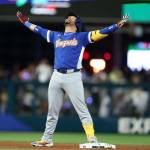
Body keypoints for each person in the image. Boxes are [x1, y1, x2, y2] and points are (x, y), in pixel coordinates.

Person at [16, 11, 128, 147]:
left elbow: (101, 32)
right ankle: (47, 139)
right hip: (56, 75)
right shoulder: (56, 35)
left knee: (82, 109)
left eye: (72, 17)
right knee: (52, 110)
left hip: (73, 76)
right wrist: (25, 22)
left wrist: (117, 25)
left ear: (77, 24)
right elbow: (38, 30)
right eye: (68, 17)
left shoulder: (82, 37)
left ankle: (92, 139)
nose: (68, 18)